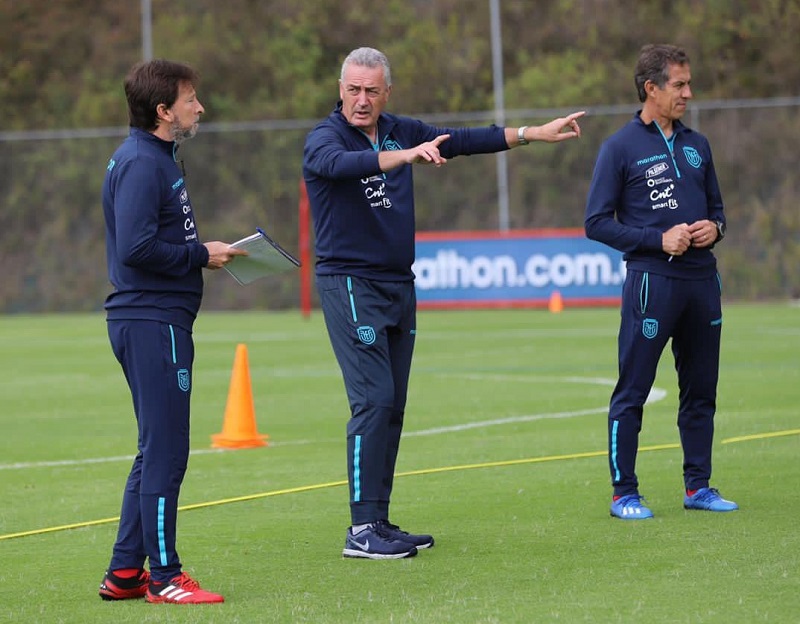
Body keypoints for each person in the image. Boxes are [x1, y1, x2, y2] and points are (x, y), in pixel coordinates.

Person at [303, 46, 585, 559]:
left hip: (398, 285)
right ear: (340, 89)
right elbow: (343, 165)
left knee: (393, 407)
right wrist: (404, 156)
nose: (361, 100)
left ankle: (379, 521)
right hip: (351, 284)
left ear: (386, 93)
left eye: (371, 90)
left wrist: (531, 134)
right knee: (373, 400)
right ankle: (360, 531)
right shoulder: (325, 138)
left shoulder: (399, 127)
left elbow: (464, 141)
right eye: (353, 89)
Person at [97, 59, 246, 603]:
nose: (199, 107)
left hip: (157, 320)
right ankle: (165, 577)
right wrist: (200, 255)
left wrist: (203, 254)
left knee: (153, 449)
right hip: (150, 321)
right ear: (163, 111)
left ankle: (124, 574)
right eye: (190, 99)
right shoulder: (141, 162)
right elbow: (136, 248)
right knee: (166, 453)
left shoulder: (157, 157)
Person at [585, 44, 738, 520]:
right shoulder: (619, 147)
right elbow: (596, 223)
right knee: (633, 389)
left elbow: (718, 212)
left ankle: (699, 486)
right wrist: (657, 239)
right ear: (650, 88)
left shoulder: (698, 145)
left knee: (701, 391)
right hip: (653, 283)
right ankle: (623, 493)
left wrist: (716, 229)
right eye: (679, 84)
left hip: (701, 282)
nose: (688, 93)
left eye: (689, 83)